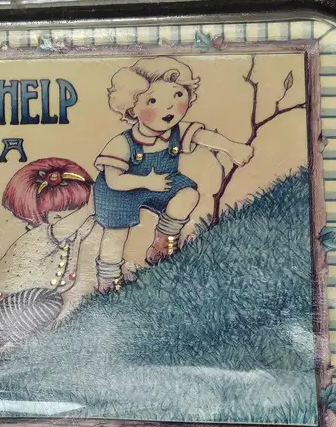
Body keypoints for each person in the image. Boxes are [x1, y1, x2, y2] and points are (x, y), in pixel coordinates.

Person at [93, 55, 254, 292]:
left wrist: (231, 147)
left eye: (178, 95)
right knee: (116, 234)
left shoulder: (176, 131)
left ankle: (162, 244)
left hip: (161, 181)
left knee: (188, 194)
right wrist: (146, 181)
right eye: (153, 100)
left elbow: (203, 136)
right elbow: (114, 180)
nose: (168, 108)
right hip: (120, 191)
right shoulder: (122, 143)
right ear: (131, 108)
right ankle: (108, 280)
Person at [0, 158, 95, 360]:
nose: (71, 219)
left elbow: (90, 222)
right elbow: (72, 224)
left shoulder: (74, 233)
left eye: (75, 211)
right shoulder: (43, 234)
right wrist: (89, 208)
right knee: (51, 302)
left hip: (19, 302)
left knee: (34, 310)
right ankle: (16, 345)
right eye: (60, 216)